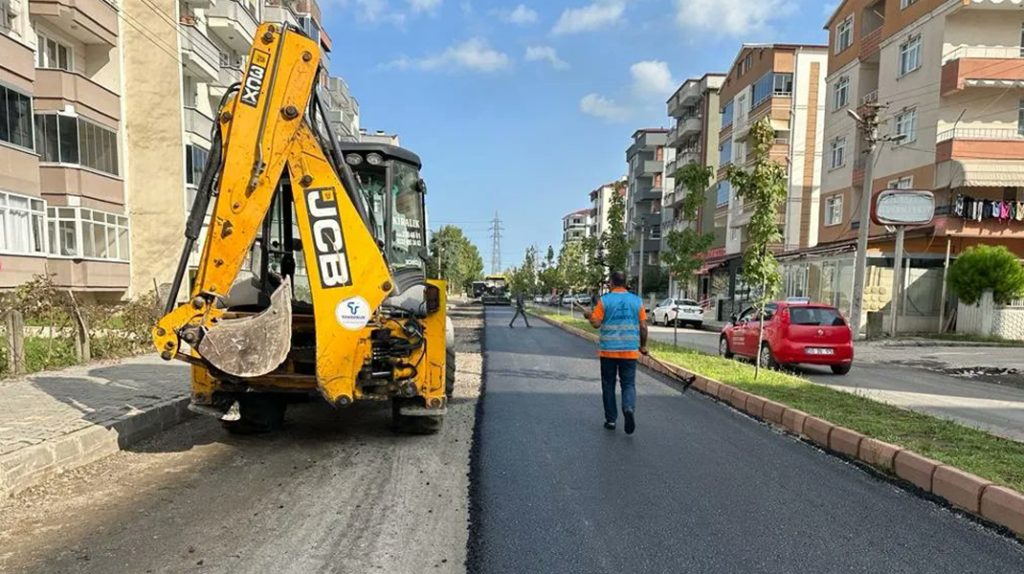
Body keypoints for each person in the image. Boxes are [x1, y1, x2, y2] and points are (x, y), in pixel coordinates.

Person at [584, 272, 648, 434]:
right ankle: (628, 408)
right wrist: (643, 345)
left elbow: (596, 324)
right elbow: (643, 327)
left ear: (611, 283)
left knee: (608, 385)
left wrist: (589, 316)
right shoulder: (637, 301)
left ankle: (611, 420)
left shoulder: (604, 301)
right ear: (625, 283)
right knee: (628, 384)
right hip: (629, 352)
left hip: (608, 352)